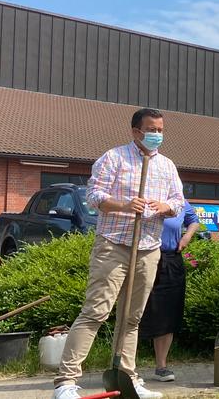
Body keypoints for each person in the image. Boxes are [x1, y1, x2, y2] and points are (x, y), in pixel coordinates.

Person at [53, 108, 184, 399]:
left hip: (149, 247)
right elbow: (94, 196)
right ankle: (66, 382)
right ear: (136, 131)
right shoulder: (113, 158)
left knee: (132, 317)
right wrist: (125, 205)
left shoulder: (166, 165)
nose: (157, 135)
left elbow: (178, 202)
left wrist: (164, 207)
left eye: (161, 130)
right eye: (152, 130)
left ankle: (127, 377)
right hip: (113, 243)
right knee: (95, 312)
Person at [138, 199, 199, 382]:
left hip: (172, 259)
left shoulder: (180, 202)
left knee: (168, 312)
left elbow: (193, 220)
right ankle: (127, 367)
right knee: (138, 310)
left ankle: (161, 366)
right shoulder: (145, 198)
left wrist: (187, 236)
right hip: (144, 256)